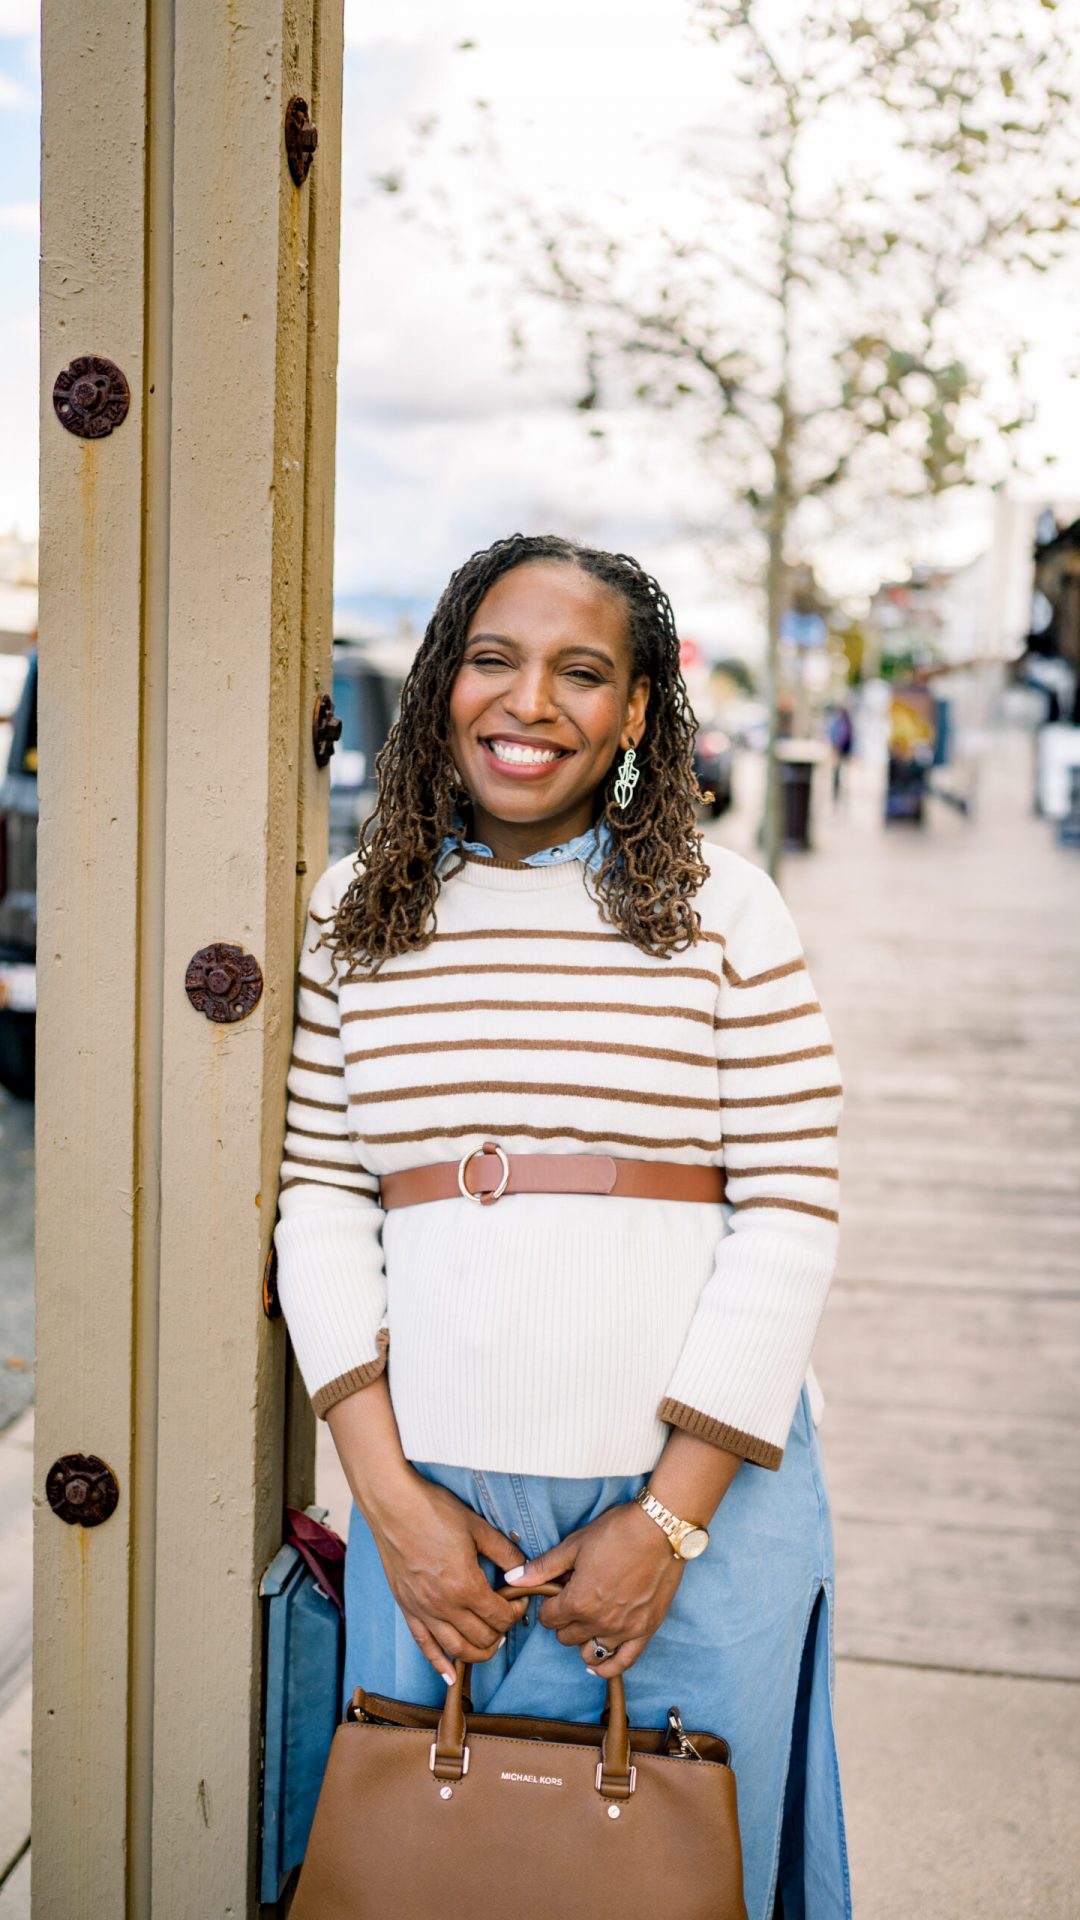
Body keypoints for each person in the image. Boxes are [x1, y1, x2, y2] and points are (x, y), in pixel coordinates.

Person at [275, 533, 850, 1920]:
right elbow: (320, 1198)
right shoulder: (353, 915)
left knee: (680, 1877)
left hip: (700, 1501)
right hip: (438, 1514)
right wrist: (391, 1506)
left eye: (581, 673)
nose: (529, 702)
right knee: (433, 1876)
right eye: (493, 659)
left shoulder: (726, 909)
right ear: (442, 681)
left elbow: (791, 1208)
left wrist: (667, 1524)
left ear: (637, 710)